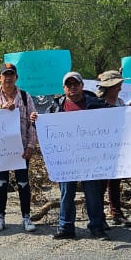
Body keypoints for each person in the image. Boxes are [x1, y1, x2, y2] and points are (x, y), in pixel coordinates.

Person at [49, 71, 110, 241]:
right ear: (64, 88)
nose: (72, 87)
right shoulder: (55, 107)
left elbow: (115, 118)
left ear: (82, 86)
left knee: (92, 193)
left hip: (90, 158)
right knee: (66, 193)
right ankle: (66, 227)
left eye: (76, 84)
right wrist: (34, 120)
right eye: (69, 84)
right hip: (66, 159)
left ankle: (97, 227)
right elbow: (43, 126)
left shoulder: (96, 103)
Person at [0, 64, 38, 233]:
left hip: (21, 150)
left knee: (23, 183)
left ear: (16, 77)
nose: (8, 78)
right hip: (0, 150)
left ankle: (26, 217)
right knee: (1, 183)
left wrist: (30, 146)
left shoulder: (24, 96)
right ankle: (0, 217)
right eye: (4, 75)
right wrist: (1, 109)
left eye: (11, 74)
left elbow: (32, 122)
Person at [94, 71, 131, 226]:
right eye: (117, 84)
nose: (120, 87)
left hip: (117, 148)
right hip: (100, 149)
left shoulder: (121, 102)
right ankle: (98, 215)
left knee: (115, 181)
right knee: (100, 183)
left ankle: (116, 212)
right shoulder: (96, 104)